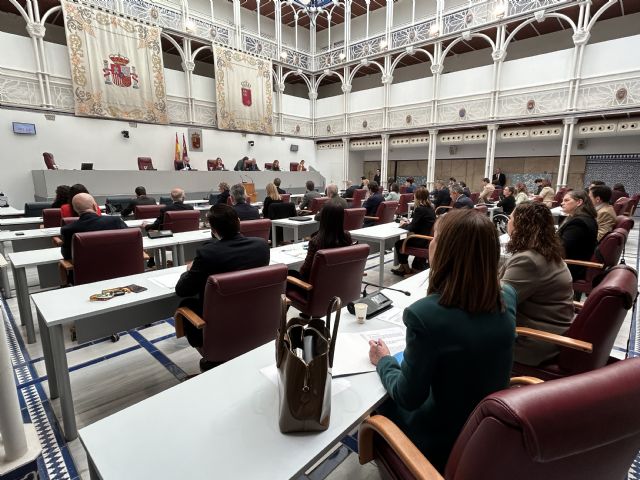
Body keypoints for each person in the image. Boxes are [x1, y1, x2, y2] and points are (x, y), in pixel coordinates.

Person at [368, 209, 517, 473]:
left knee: (375, 405)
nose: (430, 242)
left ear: (447, 251)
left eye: (435, 237)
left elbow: (408, 396)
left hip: (438, 440)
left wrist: (385, 361)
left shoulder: (425, 315)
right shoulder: (506, 296)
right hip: (486, 436)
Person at [174, 204, 270, 360]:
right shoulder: (262, 246)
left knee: (186, 303)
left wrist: (190, 270)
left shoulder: (207, 254)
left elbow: (182, 290)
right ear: (239, 222)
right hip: (256, 318)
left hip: (219, 327)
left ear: (213, 230)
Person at [500, 202, 574, 366]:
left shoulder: (528, 260)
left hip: (532, 342)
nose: (508, 222)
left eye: (511, 218)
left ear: (521, 225)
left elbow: (497, 303)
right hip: (552, 333)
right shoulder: (545, 251)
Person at [292, 204, 352, 281]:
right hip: (341, 282)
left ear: (323, 218)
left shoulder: (316, 241)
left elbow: (305, 271)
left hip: (314, 288)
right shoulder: (346, 237)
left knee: (290, 273)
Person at [60, 193, 127, 260]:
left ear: (75, 209)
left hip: (87, 269)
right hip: (119, 266)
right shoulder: (115, 221)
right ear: (95, 206)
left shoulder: (67, 230)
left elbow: (67, 255)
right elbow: (131, 241)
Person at [391, 187, 436, 276]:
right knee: (404, 242)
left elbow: (412, 228)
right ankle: (402, 267)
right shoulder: (431, 208)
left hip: (420, 240)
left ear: (417, 197)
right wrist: (409, 223)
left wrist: (403, 224)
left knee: (398, 244)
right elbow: (418, 223)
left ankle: (407, 269)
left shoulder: (420, 209)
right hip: (427, 239)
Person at [558, 190, 598, 281]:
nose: (562, 203)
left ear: (579, 202)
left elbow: (561, 248)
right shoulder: (586, 217)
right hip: (575, 262)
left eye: (566, 200)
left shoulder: (578, 223)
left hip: (572, 267)